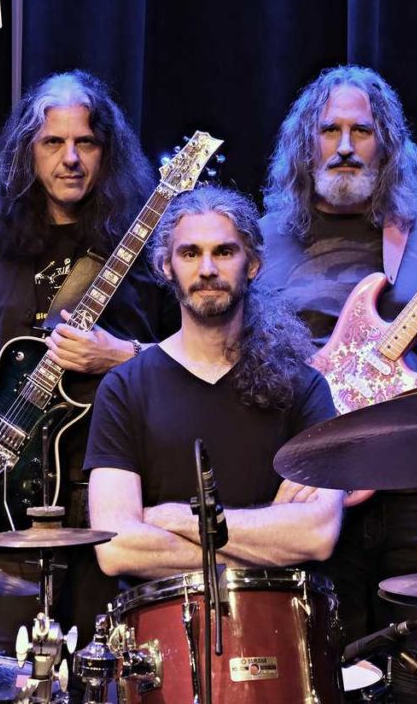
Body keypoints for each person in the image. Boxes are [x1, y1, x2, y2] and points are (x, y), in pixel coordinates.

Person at [260, 65, 417, 702]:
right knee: (326, 672)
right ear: (305, 142)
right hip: (318, 487)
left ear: (388, 142)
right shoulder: (263, 238)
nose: (345, 146)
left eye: (362, 131)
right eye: (330, 130)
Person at [0, 70, 177, 653]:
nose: (70, 158)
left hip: (113, 492)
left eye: (85, 142)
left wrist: (121, 355)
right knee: (6, 668)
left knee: (107, 668)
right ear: (28, 152)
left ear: (107, 151)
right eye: (53, 142)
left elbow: (196, 357)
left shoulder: (147, 243)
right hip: (3, 491)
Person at [85, 185, 344, 580]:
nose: (207, 269)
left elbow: (318, 535)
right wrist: (269, 538)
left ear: (252, 264)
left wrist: (182, 520)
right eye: (190, 253)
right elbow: (116, 549)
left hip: (273, 616)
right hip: (160, 618)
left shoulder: (303, 388)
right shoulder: (124, 388)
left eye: (224, 252)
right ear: (166, 266)